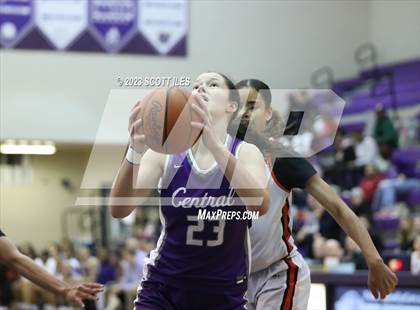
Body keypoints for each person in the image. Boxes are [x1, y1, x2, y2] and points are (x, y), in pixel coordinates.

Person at [110, 72, 270, 309]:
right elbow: (119, 208)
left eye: (212, 84)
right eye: (195, 86)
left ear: (232, 106)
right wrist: (134, 150)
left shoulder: (246, 152)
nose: (201, 89)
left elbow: (260, 205)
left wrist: (216, 148)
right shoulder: (163, 153)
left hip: (223, 291)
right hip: (163, 288)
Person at [233, 79, 398, 310]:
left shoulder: (281, 158)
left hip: (278, 275)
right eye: (238, 106)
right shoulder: (219, 157)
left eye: (252, 106)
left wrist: (374, 259)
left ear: (268, 114)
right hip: (237, 278)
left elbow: (338, 208)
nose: (244, 113)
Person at [0, 229, 103, 308]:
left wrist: (66, 289)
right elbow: (15, 259)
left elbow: (15, 259)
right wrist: (66, 290)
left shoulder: (82, 261)